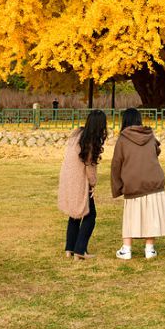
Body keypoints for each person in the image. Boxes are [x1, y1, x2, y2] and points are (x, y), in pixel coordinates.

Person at [110, 108, 165, 259]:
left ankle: (127, 249)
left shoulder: (123, 139)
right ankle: (149, 249)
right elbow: (156, 151)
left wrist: (117, 187)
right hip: (153, 179)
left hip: (133, 182)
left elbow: (116, 164)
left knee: (131, 214)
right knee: (151, 214)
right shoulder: (150, 135)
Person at [58, 109, 107, 260]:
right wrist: (93, 185)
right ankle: (80, 250)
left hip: (68, 178)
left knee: (75, 214)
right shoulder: (90, 141)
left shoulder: (77, 135)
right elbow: (90, 168)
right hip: (80, 181)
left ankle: (69, 248)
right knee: (90, 215)